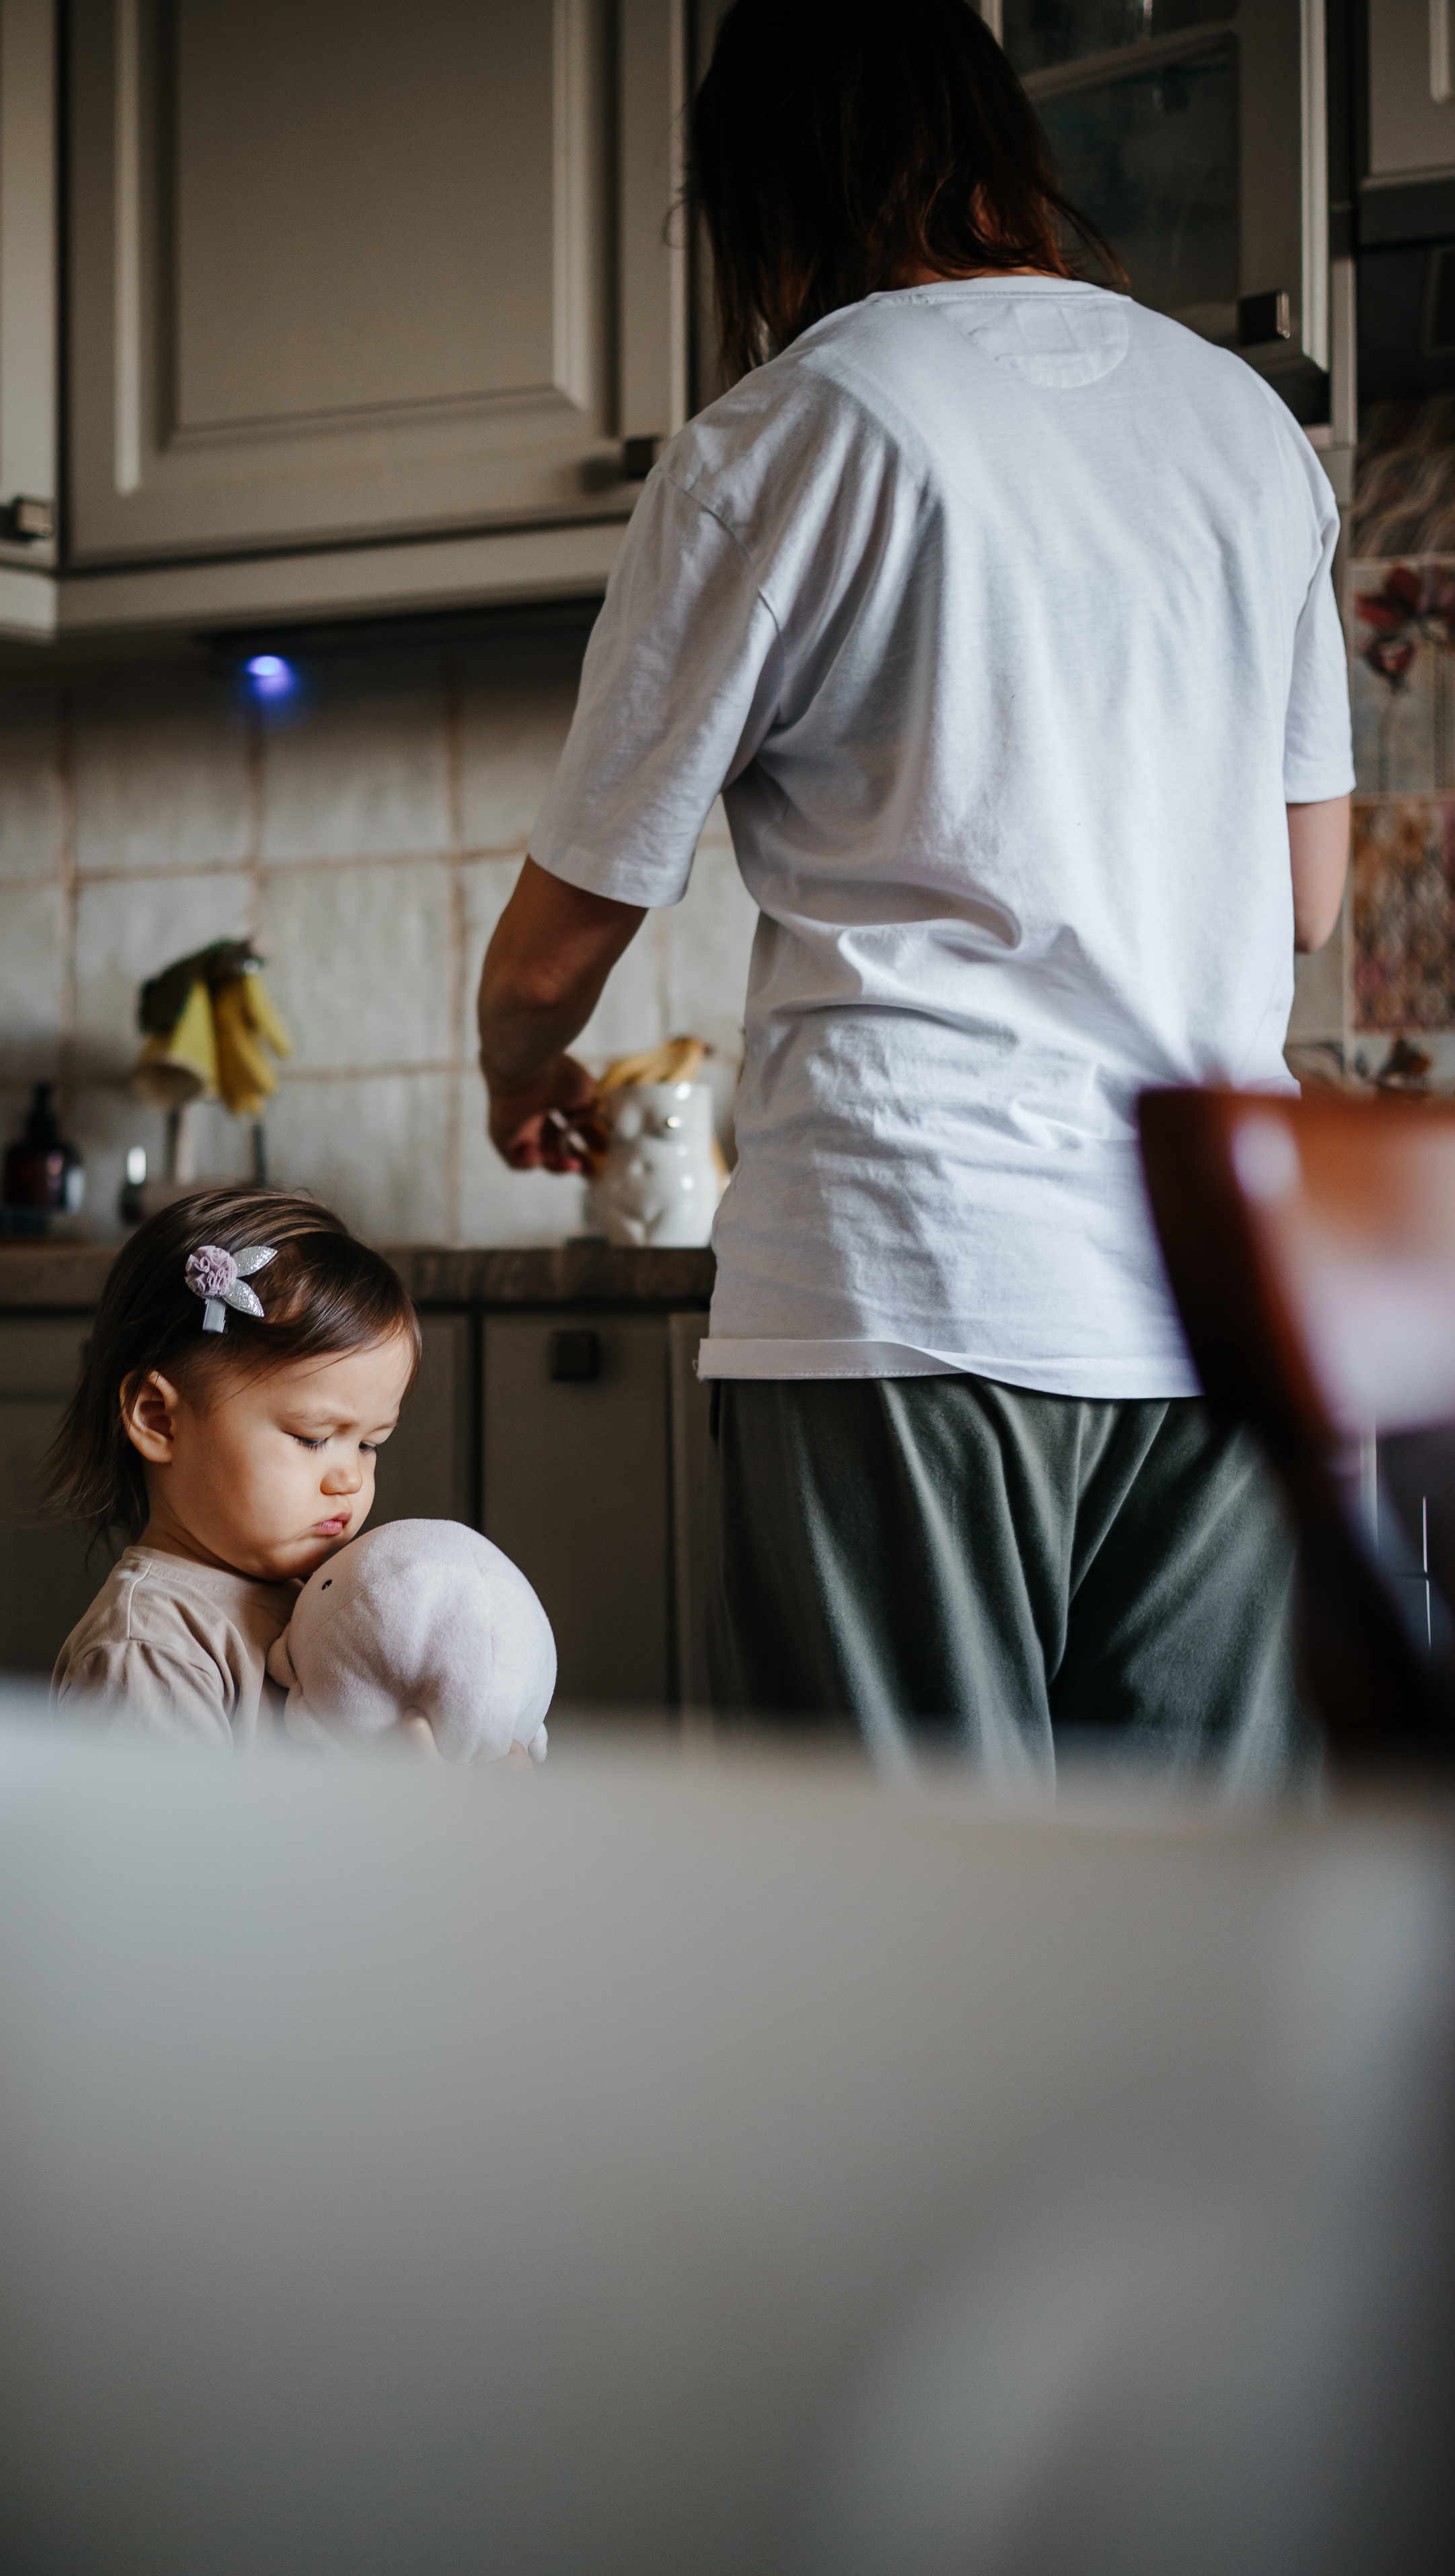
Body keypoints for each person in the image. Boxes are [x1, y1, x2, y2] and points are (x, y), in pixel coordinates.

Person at [476, 0, 1354, 1781]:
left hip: (913, 1275)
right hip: (1213, 1282)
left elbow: (565, 935)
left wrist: (518, 1072)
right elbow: (1312, 896)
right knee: (1183, 1962)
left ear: (765, 192)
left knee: (909, 1950)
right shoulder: (1246, 431)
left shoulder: (789, 429)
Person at [48, 1186, 419, 1744]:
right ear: (159, 1420)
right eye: (313, 1438)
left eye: (370, 1445)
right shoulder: (149, 1652)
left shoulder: (319, 1603)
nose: (350, 1479)